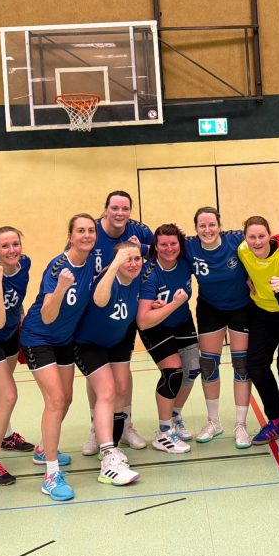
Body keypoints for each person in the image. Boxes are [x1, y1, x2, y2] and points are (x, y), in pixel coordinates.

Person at [19, 213, 99, 501]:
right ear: (70, 236)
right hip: (38, 338)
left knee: (66, 398)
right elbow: (46, 315)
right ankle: (51, 475)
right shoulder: (57, 268)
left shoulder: (92, 260)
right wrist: (62, 289)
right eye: (81, 231)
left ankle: (43, 449)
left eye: (90, 231)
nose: (87, 235)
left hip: (65, 339)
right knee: (55, 399)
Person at [0, 225, 52, 486]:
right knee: (8, 395)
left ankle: (7, 435)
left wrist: (22, 315)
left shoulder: (25, 264)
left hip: (11, 337)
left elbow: (17, 299)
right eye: (5, 246)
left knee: (2, 391)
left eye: (15, 244)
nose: (12, 250)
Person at [78, 191, 155, 454]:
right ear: (105, 209)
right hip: (94, 312)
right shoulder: (91, 232)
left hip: (123, 313)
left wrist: (142, 249)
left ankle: (126, 425)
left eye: (125, 208)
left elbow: (162, 250)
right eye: (114, 208)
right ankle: (96, 428)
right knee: (98, 379)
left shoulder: (139, 231)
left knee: (122, 378)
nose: (120, 213)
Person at [73, 240, 144, 485]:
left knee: (122, 388)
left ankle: (114, 441)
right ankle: (107, 456)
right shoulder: (107, 280)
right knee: (107, 391)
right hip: (88, 343)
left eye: (136, 259)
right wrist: (114, 264)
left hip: (117, 340)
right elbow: (101, 301)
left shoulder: (139, 280)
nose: (133, 264)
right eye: (127, 259)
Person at [237, 215, 279, 451]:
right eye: (252, 237)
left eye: (262, 236)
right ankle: (275, 419)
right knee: (255, 365)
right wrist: (247, 278)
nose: (257, 241)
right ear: (245, 238)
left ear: (270, 236)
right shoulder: (243, 250)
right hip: (262, 313)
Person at [183, 206, 250, 443]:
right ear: (196, 228)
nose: (207, 229)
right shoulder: (189, 246)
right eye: (202, 225)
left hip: (241, 306)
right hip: (210, 308)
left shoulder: (236, 240)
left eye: (212, 224)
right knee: (209, 365)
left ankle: (241, 425)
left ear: (220, 226)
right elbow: (158, 246)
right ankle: (214, 421)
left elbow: (266, 241)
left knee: (241, 364)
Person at [137, 224, 200, 454]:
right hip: (155, 326)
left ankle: (174, 415)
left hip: (181, 320)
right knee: (173, 373)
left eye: (173, 243)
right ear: (155, 246)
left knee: (193, 368)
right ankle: (163, 433)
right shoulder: (150, 273)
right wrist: (172, 304)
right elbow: (143, 321)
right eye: (163, 244)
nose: (169, 248)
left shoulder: (185, 262)